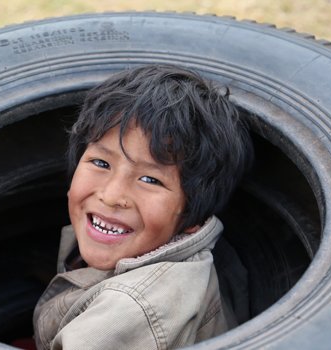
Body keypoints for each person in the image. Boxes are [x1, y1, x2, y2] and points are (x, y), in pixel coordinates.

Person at [32, 64, 253, 350]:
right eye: (101, 163)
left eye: (150, 179)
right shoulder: (144, 240)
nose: (112, 195)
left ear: (192, 217)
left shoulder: (129, 311)